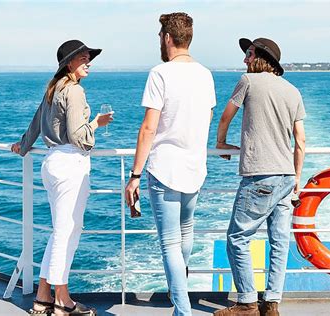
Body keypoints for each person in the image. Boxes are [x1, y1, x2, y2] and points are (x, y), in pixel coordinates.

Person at [11, 39, 113, 316]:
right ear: (70, 63)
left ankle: (43, 297)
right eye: (83, 58)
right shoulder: (75, 91)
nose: (88, 61)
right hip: (70, 164)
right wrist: (97, 123)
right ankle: (62, 301)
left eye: (88, 57)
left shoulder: (54, 88)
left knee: (60, 233)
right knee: (67, 233)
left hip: (52, 162)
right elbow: (80, 138)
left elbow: (36, 121)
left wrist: (23, 144)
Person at [124, 12, 216, 316]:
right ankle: (181, 299)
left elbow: (149, 128)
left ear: (167, 38)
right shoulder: (206, 74)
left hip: (165, 169)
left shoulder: (160, 73)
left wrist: (134, 175)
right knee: (185, 233)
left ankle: (182, 309)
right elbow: (207, 117)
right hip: (195, 169)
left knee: (169, 244)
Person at [213, 38, 306, 316]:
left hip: (260, 176)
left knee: (237, 238)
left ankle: (247, 303)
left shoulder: (248, 82)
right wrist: (297, 178)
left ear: (260, 57)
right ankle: (272, 304)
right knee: (279, 241)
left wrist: (221, 143)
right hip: (286, 176)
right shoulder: (292, 91)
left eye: (248, 54)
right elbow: (300, 141)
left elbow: (225, 117)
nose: (245, 60)